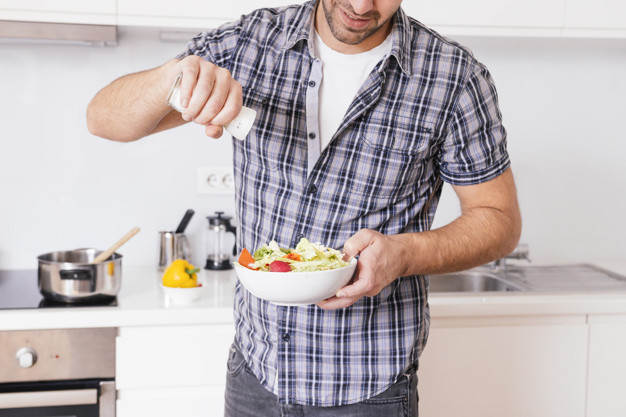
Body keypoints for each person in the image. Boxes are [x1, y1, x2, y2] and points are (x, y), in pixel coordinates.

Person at [87, 0, 522, 415]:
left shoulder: (454, 78)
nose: (362, 6)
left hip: (370, 389)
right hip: (255, 376)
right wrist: (173, 77)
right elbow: (101, 117)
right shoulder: (250, 42)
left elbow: (500, 221)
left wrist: (403, 255)